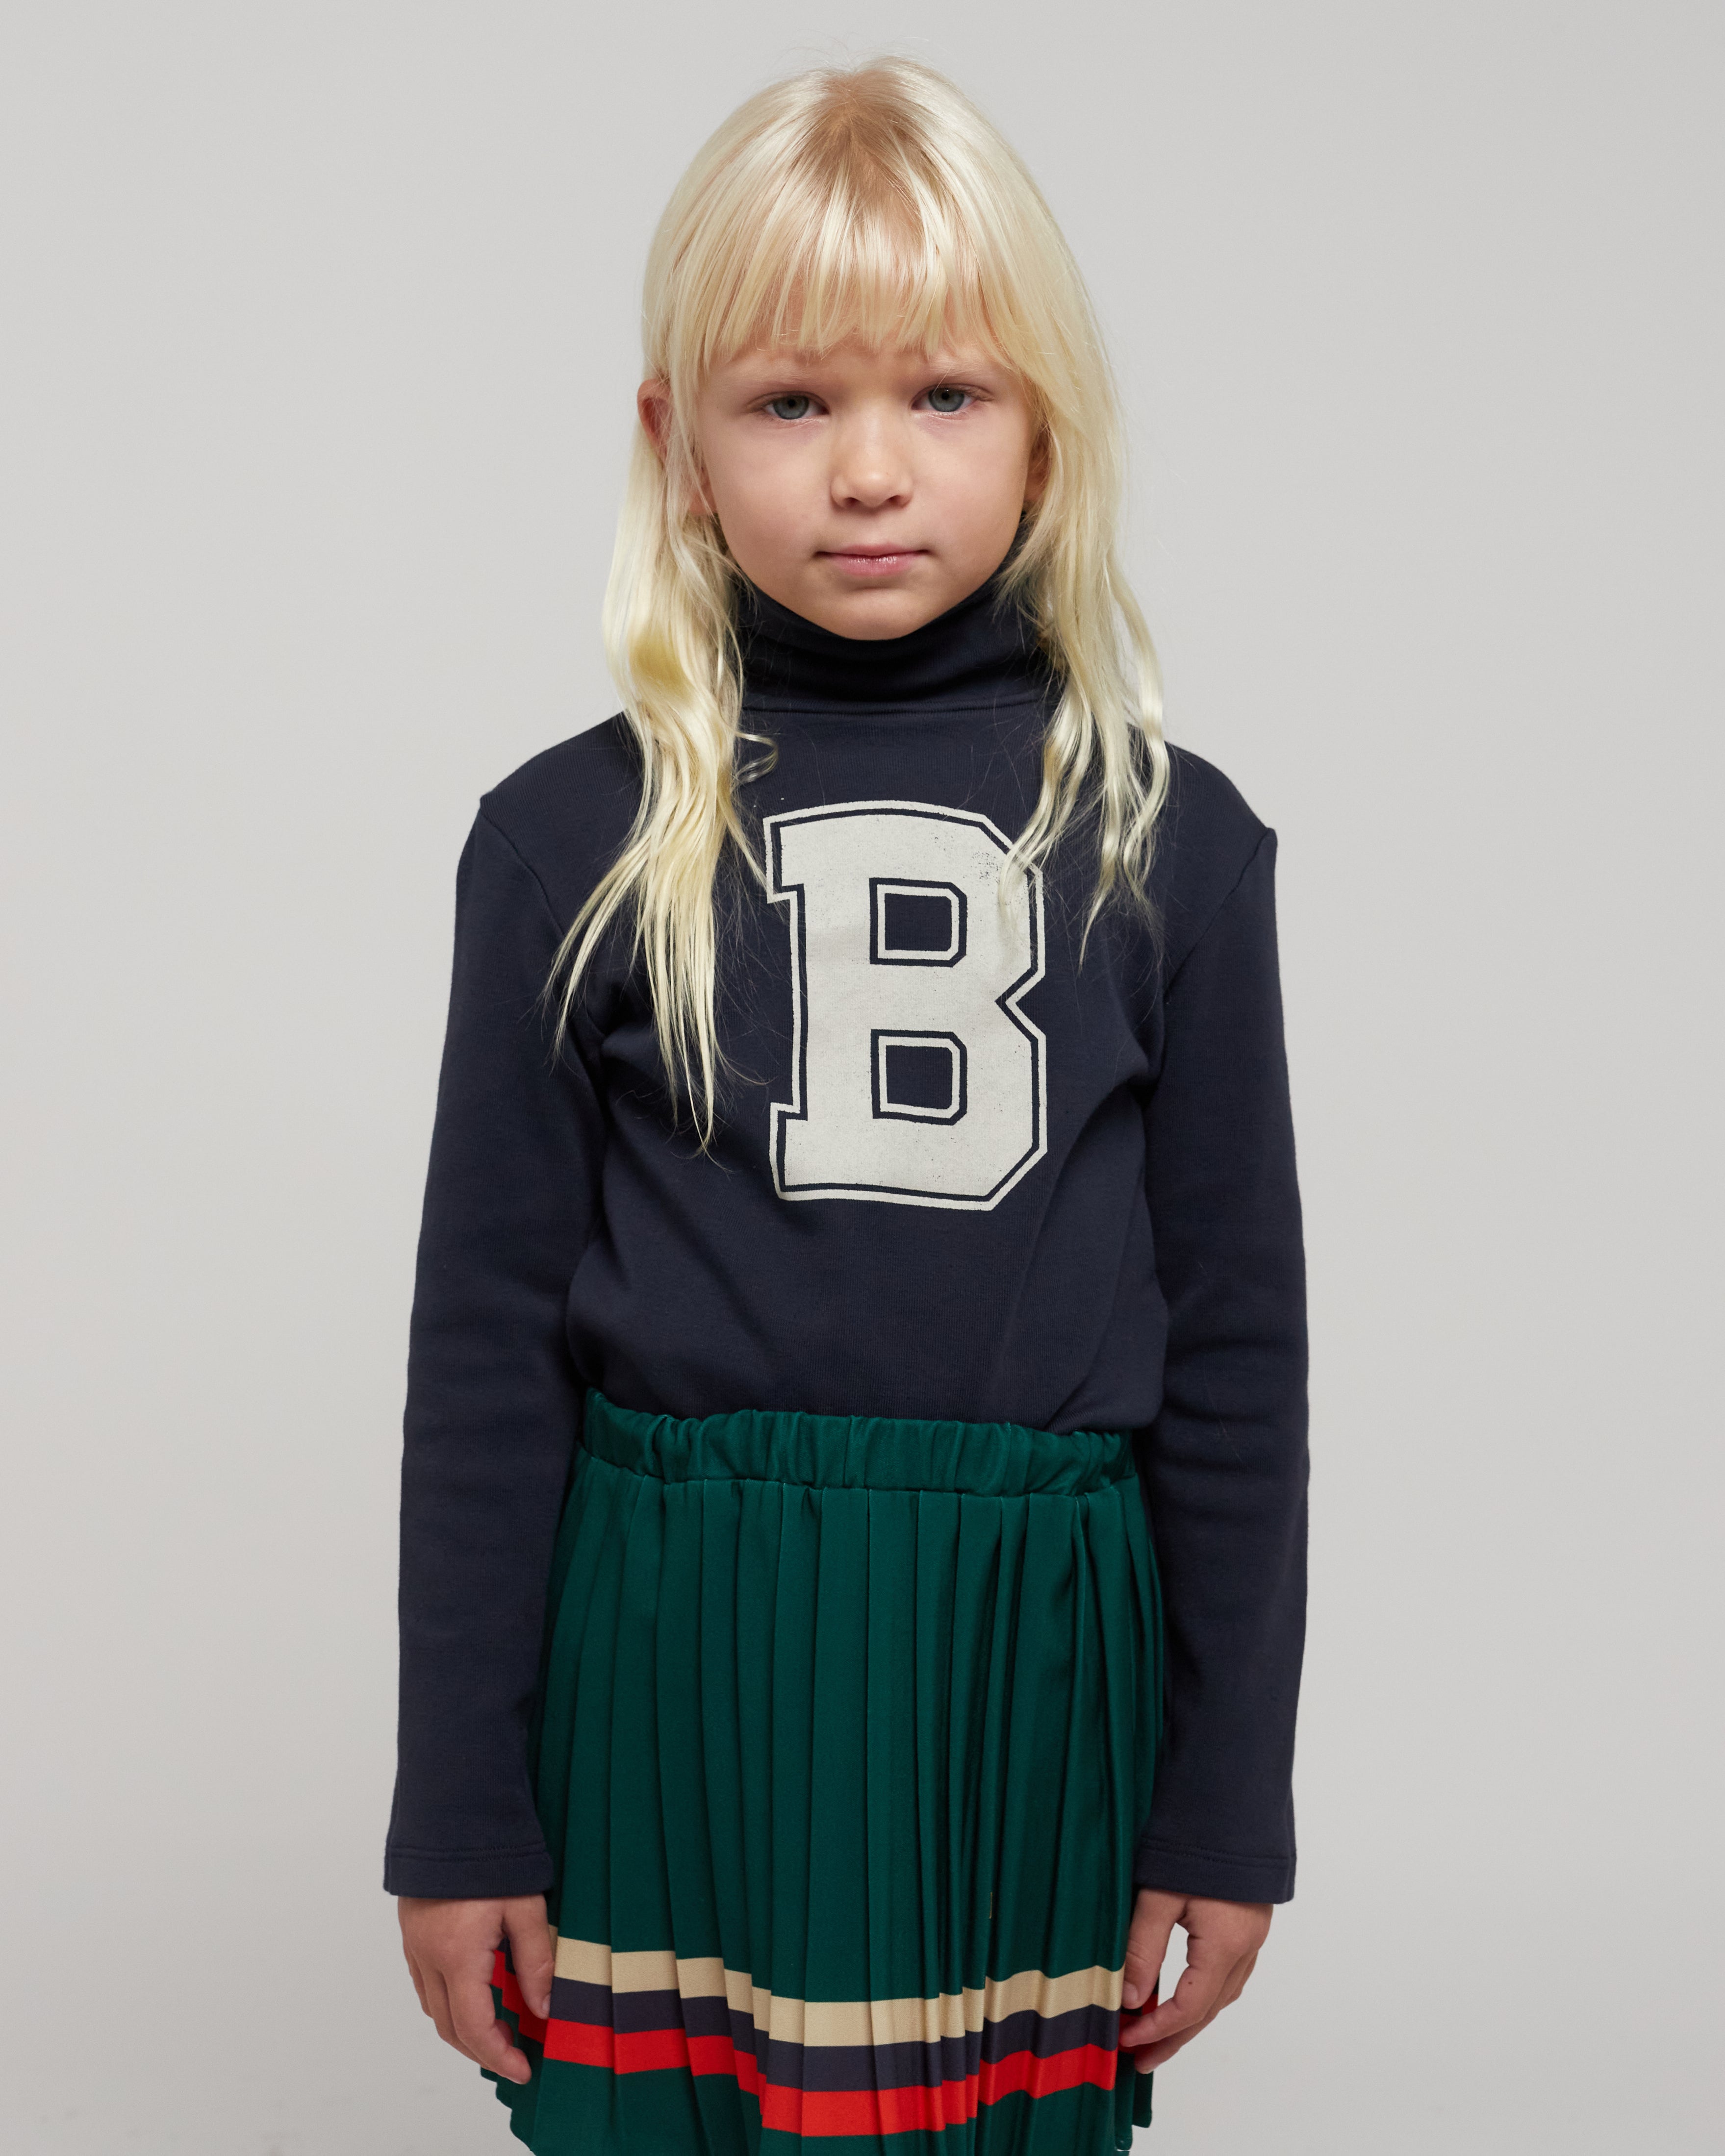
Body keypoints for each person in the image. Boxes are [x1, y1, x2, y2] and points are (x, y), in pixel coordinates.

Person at [385, 56, 1307, 2156]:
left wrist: (1222, 1795)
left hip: (1023, 1655)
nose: (870, 469)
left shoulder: (1174, 846)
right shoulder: (566, 841)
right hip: (677, 1636)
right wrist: (460, 1806)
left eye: (946, 395)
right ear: (676, 445)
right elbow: (485, 1351)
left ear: (1046, 433)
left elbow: (1239, 1351)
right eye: (792, 400)